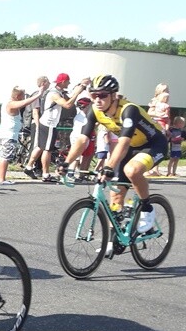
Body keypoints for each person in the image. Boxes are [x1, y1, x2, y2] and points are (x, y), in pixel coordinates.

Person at [60, 74, 167, 234]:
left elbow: (123, 142)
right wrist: (66, 162)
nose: (97, 99)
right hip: (131, 147)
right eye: (93, 95)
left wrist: (109, 166)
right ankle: (113, 238)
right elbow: (83, 139)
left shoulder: (128, 109)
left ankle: (147, 209)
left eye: (102, 95)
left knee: (132, 170)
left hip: (154, 144)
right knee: (115, 196)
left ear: (114, 96)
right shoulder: (95, 110)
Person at [25, 73, 89, 182]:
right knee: (47, 149)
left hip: (45, 122)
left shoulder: (58, 92)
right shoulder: (54, 94)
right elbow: (68, 105)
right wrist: (78, 92)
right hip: (49, 123)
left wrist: (80, 87)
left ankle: (29, 167)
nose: (69, 83)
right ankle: (46, 175)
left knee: (40, 147)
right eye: (68, 81)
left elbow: (70, 98)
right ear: (63, 82)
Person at [0, 84, 44, 185]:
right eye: (23, 95)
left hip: (6, 134)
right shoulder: (11, 104)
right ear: (17, 96)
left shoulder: (9, 102)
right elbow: (24, 103)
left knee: (3, 157)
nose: (24, 97)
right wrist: (39, 95)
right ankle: (1, 179)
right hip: (8, 135)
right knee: (5, 157)